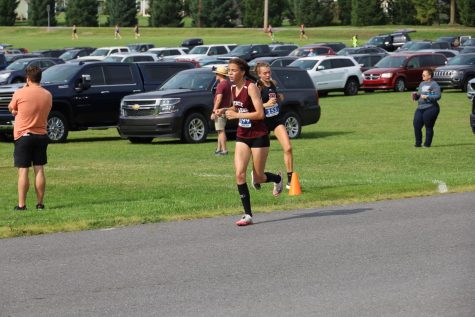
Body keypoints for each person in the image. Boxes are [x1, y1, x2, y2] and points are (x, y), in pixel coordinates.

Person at [217, 58, 283, 226]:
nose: (230, 73)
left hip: (259, 135)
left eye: (233, 70)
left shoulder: (251, 87)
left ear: (242, 72)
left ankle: (276, 178)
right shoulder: (233, 87)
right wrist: (224, 110)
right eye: (229, 70)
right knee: (239, 174)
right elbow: (237, 107)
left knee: (259, 177)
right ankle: (247, 214)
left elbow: (260, 113)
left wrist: (237, 115)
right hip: (242, 136)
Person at [8, 66, 52, 211]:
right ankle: (40, 203)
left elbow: (11, 107)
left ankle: (22, 204)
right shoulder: (47, 94)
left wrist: (16, 111)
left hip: (24, 135)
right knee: (39, 169)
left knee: (23, 170)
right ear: (40, 78)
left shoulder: (20, 92)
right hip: (41, 135)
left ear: (28, 78)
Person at [255, 62, 294, 189]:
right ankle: (256, 176)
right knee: (259, 154)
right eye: (265, 73)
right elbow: (254, 107)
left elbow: (274, 96)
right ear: (259, 74)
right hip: (263, 123)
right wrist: (266, 104)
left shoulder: (272, 83)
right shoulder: (257, 87)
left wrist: (278, 97)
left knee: (288, 148)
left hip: (276, 120)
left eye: (269, 72)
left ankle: (290, 181)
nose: (268, 75)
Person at [412, 69, 441, 148]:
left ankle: (427, 144)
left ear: (429, 76)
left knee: (428, 126)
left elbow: (438, 96)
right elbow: (419, 94)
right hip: (420, 107)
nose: (422, 76)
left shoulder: (434, 84)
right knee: (416, 125)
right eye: (422, 74)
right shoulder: (422, 83)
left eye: (424, 75)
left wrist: (428, 96)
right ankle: (418, 143)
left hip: (431, 107)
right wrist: (416, 96)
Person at [211, 66, 231, 156]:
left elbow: (219, 99)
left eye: (216, 73)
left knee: (221, 130)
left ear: (219, 74)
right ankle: (219, 149)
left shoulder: (221, 85)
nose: (215, 75)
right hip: (225, 109)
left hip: (220, 111)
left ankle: (224, 150)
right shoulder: (228, 84)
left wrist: (214, 111)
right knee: (220, 130)